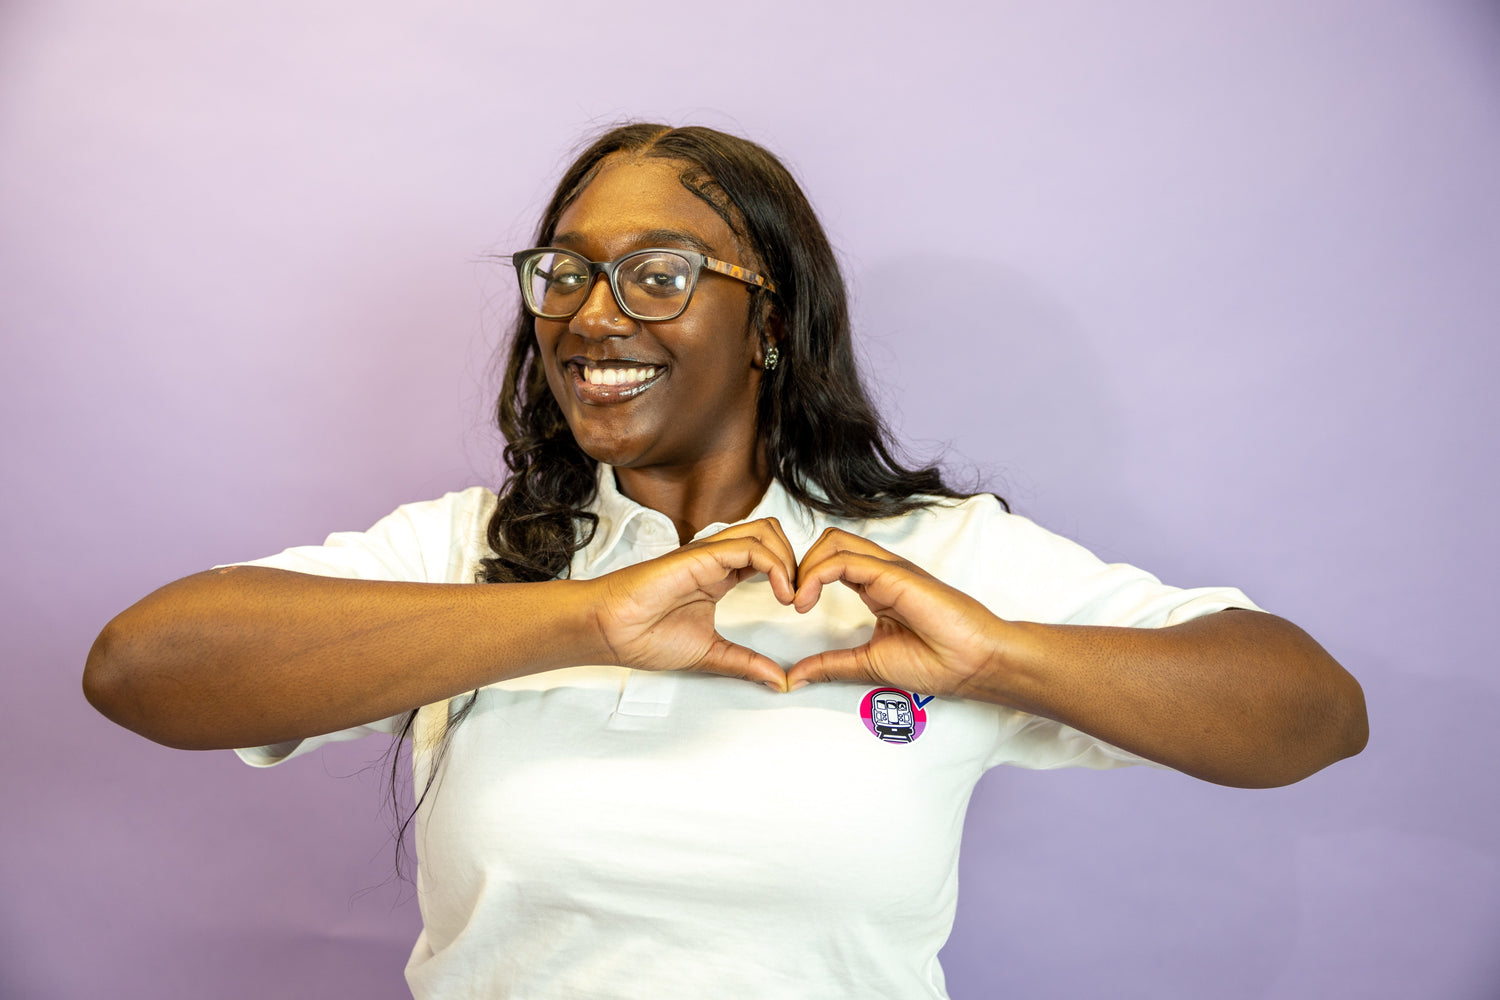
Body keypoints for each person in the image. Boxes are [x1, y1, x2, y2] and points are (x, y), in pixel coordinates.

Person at [83, 123, 1368, 999]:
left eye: (658, 276)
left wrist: (1000, 655)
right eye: (567, 274)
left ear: (769, 319)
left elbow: (1309, 714)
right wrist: (578, 620)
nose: (592, 314)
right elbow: (142, 667)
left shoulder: (938, 562)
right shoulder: (476, 553)